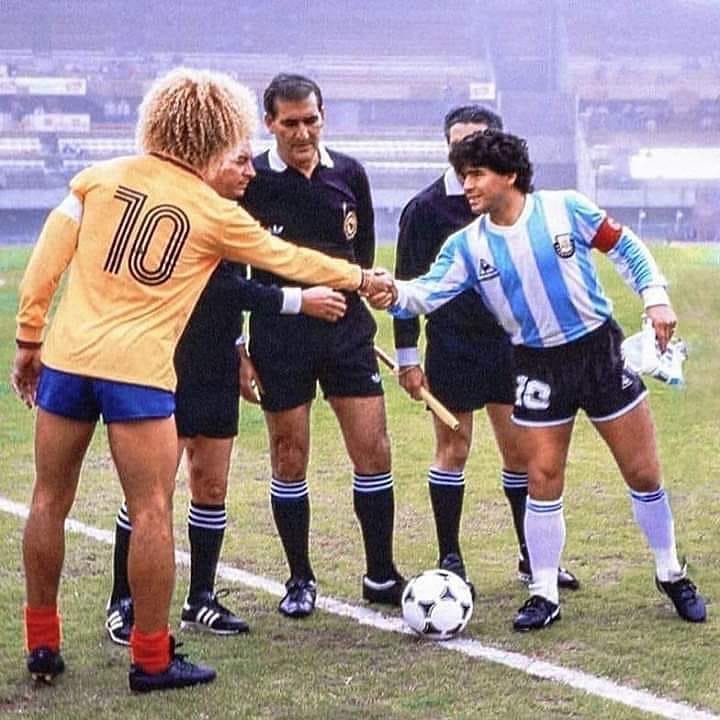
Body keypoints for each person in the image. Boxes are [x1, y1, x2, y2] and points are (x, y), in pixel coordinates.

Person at [11, 67, 393, 692]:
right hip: (139, 376)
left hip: (69, 362)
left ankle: (42, 643)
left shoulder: (94, 180)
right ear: (214, 135)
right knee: (154, 508)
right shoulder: (216, 213)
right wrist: (360, 278)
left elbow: (44, 266)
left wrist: (30, 340)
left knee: (50, 499)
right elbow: (292, 261)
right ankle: (153, 658)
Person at [384, 129, 706, 631]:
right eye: (463, 174)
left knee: (642, 472)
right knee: (542, 477)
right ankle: (543, 590)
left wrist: (655, 295)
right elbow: (423, 294)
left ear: (509, 176)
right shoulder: (466, 245)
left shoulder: (565, 209)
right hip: (535, 365)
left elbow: (626, 249)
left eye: (476, 174)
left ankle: (670, 572)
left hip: (597, 351)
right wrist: (385, 291)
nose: (466, 185)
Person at [104, 265, 348, 645]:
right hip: (168, 356)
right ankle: (123, 600)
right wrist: (299, 300)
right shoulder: (191, 215)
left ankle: (200, 598)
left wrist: (238, 349)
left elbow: (233, 281)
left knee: (211, 484)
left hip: (217, 360)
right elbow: (220, 286)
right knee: (153, 489)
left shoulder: (231, 219)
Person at [393, 105, 579, 592]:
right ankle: (450, 557)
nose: (468, 154)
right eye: (459, 144)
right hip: (452, 347)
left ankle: (531, 556)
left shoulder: (517, 203)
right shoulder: (425, 209)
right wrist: (409, 359)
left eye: (479, 141)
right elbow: (408, 289)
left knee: (519, 454)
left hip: (510, 347)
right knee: (452, 449)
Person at [240, 73, 405, 619]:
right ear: (270, 123)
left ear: (322, 115)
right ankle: (300, 578)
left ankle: (380, 573)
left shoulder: (350, 173)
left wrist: (371, 287)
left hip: (346, 332)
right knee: (290, 456)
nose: (303, 132)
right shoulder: (253, 179)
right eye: (290, 123)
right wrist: (245, 337)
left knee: (374, 449)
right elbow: (233, 269)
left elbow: (361, 253)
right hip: (280, 334)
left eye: (311, 120)